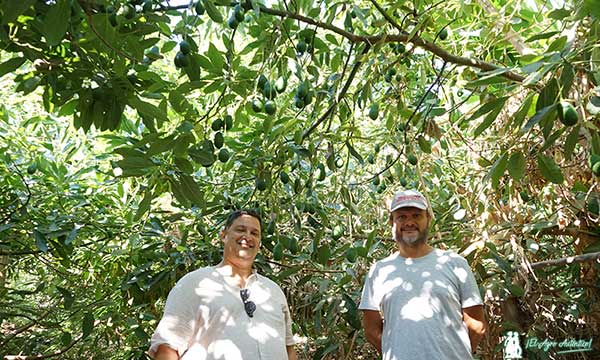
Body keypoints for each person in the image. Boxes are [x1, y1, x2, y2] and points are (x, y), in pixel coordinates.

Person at [148, 209, 297, 360]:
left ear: (259, 242)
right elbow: (166, 348)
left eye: (254, 233)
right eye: (240, 230)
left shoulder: (273, 291)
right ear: (223, 235)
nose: (247, 236)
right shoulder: (194, 284)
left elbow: (289, 349)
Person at [359, 189, 486, 359]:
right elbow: (371, 330)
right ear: (392, 221)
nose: (409, 222)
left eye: (417, 215)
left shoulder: (455, 264)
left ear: (428, 219)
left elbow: (476, 325)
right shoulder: (380, 270)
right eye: (402, 216)